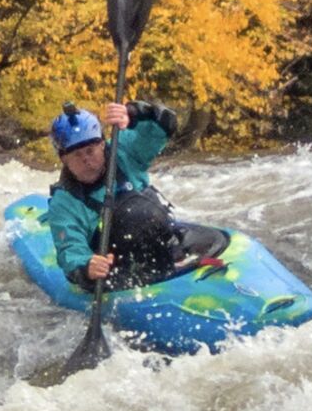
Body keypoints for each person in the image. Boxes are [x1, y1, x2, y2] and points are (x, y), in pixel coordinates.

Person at [46, 99, 229, 292]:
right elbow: (70, 249)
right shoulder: (64, 201)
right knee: (133, 213)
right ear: (64, 160)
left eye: (90, 151)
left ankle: (172, 259)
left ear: (101, 144)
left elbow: (165, 124)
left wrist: (134, 114)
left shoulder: (123, 152)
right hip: (116, 264)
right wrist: (87, 266)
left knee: (141, 209)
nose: (86, 160)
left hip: (160, 238)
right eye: (77, 156)